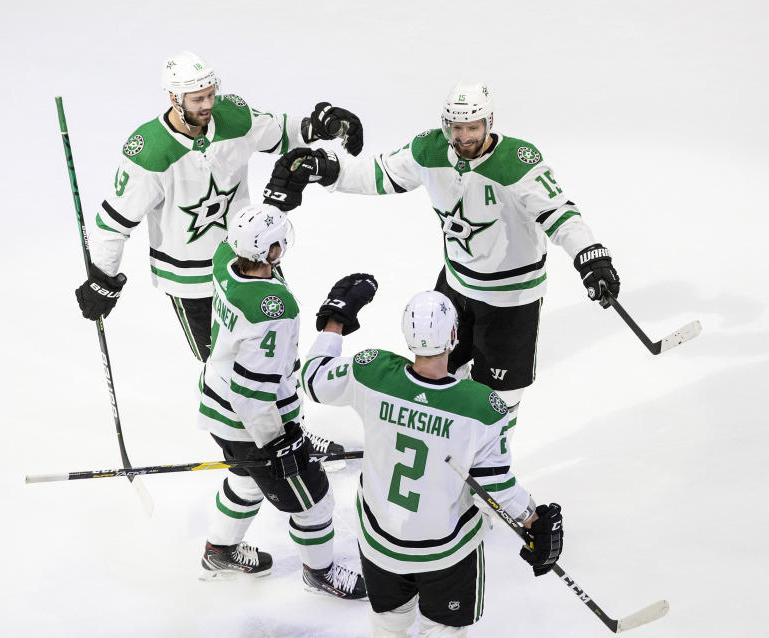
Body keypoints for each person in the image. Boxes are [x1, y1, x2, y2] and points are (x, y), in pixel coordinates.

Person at [273, 82, 622, 442]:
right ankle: (435, 453)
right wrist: (327, 169)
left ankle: (488, 467)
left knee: (497, 402)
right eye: (457, 128)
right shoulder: (429, 149)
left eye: (473, 127)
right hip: (455, 285)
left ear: (489, 122)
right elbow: (378, 174)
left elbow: (559, 214)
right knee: (434, 374)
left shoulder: (518, 161)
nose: (465, 136)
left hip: (509, 299)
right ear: (446, 125)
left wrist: (591, 256)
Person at [73, 50, 362, 453]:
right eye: (198, 99)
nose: (208, 104)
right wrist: (103, 279)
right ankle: (249, 439)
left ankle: (292, 432)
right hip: (190, 278)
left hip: (249, 255)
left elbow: (277, 130)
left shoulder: (232, 116)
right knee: (223, 365)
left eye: (210, 94)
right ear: (174, 98)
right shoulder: (149, 149)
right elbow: (114, 221)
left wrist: (320, 126)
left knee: (277, 352)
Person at [300, 285, 564, 636]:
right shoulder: (480, 407)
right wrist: (533, 519)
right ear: (454, 336)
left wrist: (335, 322)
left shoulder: (373, 372)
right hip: (445, 553)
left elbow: (313, 378)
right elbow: (494, 486)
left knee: (388, 625)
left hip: (381, 542)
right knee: (444, 631)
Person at [195, 204, 367, 600]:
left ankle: (218, 551)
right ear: (268, 250)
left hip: (217, 404)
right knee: (316, 503)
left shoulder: (225, 259)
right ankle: (319, 572)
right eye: (277, 242)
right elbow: (252, 393)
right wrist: (277, 441)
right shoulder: (272, 311)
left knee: (245, 480)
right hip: (252, 422)